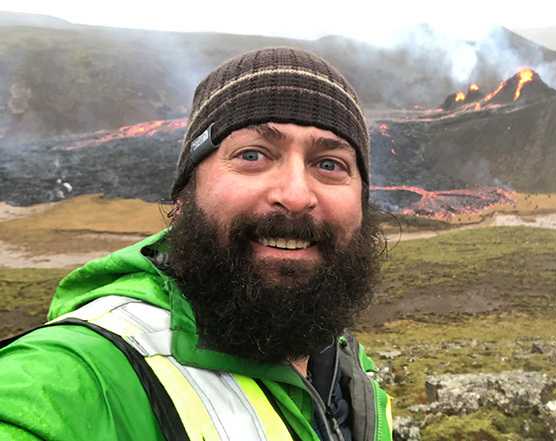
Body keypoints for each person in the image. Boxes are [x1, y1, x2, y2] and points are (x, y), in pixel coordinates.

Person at [0, 47, 392, 441]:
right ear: (184, 195)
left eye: (330, 164)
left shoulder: (342, 365)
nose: (295, 195)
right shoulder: (75, 375)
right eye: (252, 155)